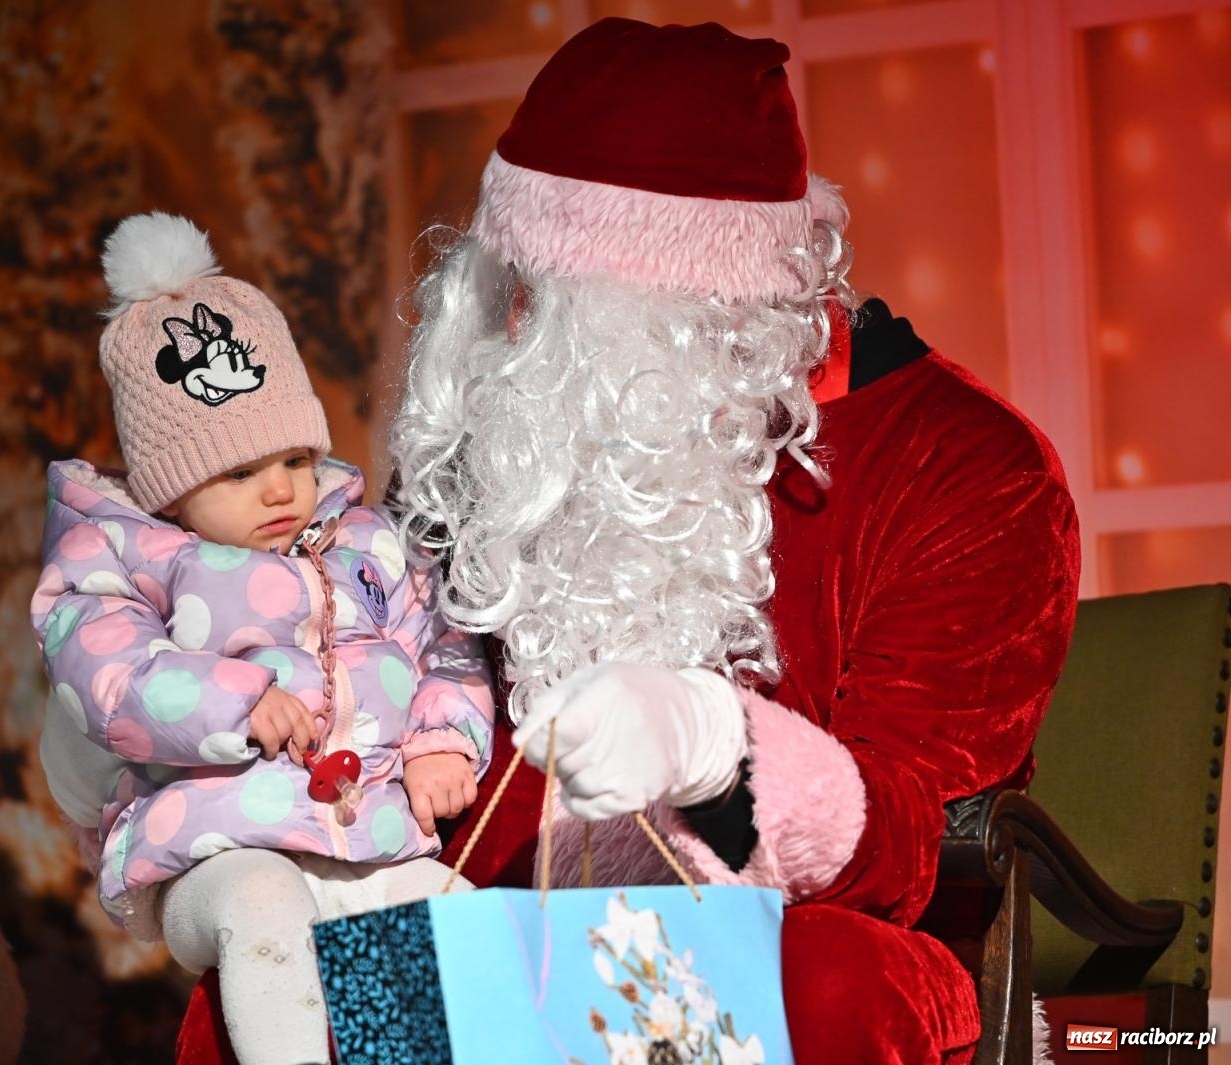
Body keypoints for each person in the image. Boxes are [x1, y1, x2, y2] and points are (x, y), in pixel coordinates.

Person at [384, 18, 1080, 1065]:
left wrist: (716, 753)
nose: (513, 334)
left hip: (784, 934)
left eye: (556, 304)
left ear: (692, 312)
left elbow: (906, 853)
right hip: (489, 928)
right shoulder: (502, 424)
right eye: (504, 286)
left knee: (824, 986)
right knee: (287, 977)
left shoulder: (960, 465)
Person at [33, 213, 495, 1065]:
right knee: (261, 904)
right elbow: (107, 671)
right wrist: (236, 701)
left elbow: (443, 644)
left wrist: (441, 741)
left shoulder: (365, 541)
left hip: (367, 839)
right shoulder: (132, 560)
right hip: (215, 846)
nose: (279, 488)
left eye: (291, 457)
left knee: (448, 906)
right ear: (171, 489)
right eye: (240, 473)